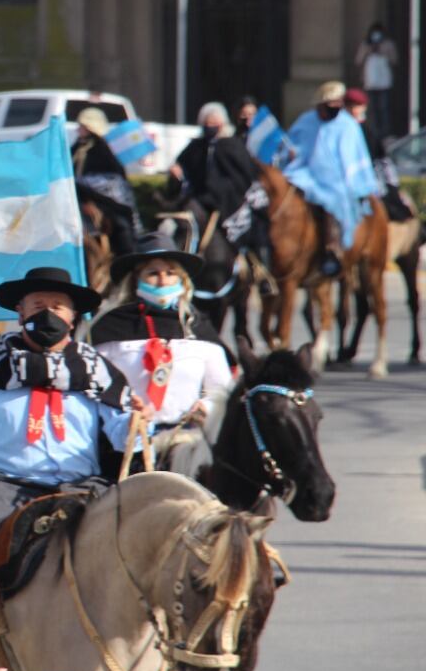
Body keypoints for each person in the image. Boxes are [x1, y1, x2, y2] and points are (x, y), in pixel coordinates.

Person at [0, 266, 145, 671]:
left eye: (57, 306)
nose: (48, 313)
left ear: (73, 316)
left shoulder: (97, 369)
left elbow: (121, 436)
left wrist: (138, 420)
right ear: (19, 309)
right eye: (38, 305)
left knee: (141, 548)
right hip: (3, 485)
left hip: (83, 488)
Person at [87, 233, 235, 439]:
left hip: (186, 439)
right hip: (127, 438)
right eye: (153, 273)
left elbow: (222, 391)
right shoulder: (109, 328)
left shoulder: (198, 327)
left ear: (181, 280)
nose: (163, 280)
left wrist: (206, 407)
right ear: (136, 280)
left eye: (170, 273)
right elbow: (95, 388)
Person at [166, 101, 273, 292]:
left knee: (254, 229)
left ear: (222, 124)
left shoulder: (232, 146)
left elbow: (246, 177)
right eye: (207, 122)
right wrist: (177, 174)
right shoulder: (195, 146)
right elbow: (185, 172)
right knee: (185, 218)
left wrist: (228, 191)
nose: (210, 126)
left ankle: (258, 270)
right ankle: (180, 261)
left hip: (231, 202)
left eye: (214, 122)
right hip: (200, 200)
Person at [284, 81, 380, 277]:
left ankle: (332, 249)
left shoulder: (348, 125)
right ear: (320, 105)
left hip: (336, 181)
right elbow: (290, 145)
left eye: (338, 104)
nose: (334, 109)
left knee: (334, 199)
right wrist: (291, 153)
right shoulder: (305, 121)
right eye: (330, 104)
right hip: (305, 173)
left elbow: (354, 157)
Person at [72, 106, 139, 256]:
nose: (78, 130)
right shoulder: (75, 149)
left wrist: (92, 199)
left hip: (104, 204)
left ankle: (127, 261)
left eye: (82, 126)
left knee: (121, 224)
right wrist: (82, 200)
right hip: (76, 202)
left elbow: (115, 183)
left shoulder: (106, 149)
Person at [346, 87, 413, 223]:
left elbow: (381, 160)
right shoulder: (340, 129)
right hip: (346, 178)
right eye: (350, 106)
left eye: (358, 106)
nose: (354, 110)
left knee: (392, 207)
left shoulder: (368, 131)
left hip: (369, 178)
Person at [354, 21, 397, 142]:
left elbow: (394, 60)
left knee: (383, 108)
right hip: (370, 82)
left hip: (384, 82)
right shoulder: (365, 45)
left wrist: (382, 50)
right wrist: (368, 50)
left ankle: (385, 133)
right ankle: (373, 132)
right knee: (371, 109)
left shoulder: (388, 44)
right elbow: (358, 61)